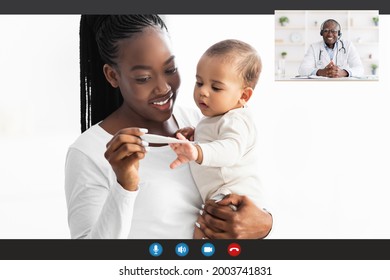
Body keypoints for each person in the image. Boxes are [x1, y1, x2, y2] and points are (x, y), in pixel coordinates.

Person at [64, 15, 273, 239]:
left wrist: (265, 224)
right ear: (112, 75)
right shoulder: (88, 152)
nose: (163, 88)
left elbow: (243, 180)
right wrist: (124, 186)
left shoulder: (201, 120)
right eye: (144, 78)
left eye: (170, 69)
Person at [169, 39, 264, 238]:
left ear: (244, 96)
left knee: (204, 232)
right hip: (220, 195)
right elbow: (215, 135)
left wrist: (197, 151)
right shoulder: (217, 117)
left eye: (216, 88)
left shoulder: (237, 119)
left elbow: (229, 150)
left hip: (232, 198)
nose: (203, 91)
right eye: (199, 83)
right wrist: (195, 134)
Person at [298, 19, 364, 78]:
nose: (330, 34)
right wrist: (321, 72)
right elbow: (302, 69)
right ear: (321, 33)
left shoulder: (348, 45)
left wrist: (343, 72)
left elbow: (360, 69)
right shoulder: (314, 47)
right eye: (326, 31)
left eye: (334, 31)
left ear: (339, 33)